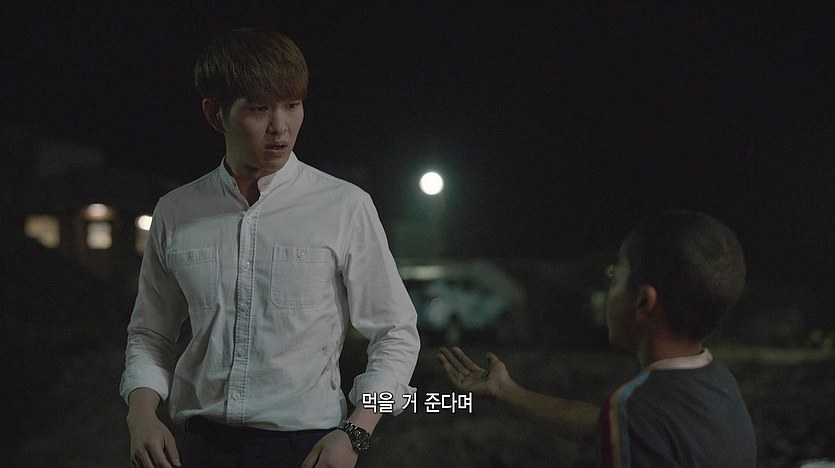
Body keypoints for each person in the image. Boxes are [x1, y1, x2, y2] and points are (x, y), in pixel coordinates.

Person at [120, 28, 420, 468]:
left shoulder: (344, 206)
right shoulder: (177, 211)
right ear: (215, 114)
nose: (281, 126)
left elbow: (396, 332)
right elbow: (151, 333)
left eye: (292, 105)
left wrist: (357, 431)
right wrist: (141, 415)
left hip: (308, 447)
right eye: (259, 109)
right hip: (201, 446)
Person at [438, 210, 756, 467]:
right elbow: (608, 425)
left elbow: (629, 423)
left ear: (643, 302)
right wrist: (505, 390)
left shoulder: (639, 408)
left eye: (614, 276)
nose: (606, 293)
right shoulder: (718, 382)